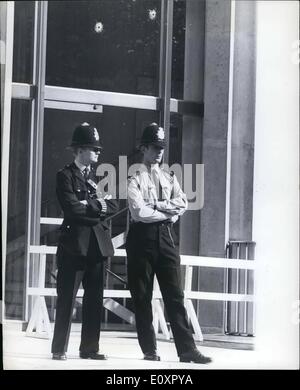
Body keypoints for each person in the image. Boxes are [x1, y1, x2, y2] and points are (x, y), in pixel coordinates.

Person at [125, 123, 212, 364]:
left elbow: (183, 203)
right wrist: (167, 210)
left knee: (175, 295)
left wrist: (157, 207)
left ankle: (187, 350)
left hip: (166, 238)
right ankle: (150, 350)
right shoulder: (134, 177)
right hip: (142, 240)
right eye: (154, 147)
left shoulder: (169, 176)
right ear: (143, 148)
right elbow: (139, 212)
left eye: (161, 147)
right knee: (141, 297)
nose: (159, 151)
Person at [51, 122, 118, 360]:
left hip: (96, 247)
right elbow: (71, 210)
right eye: (93, 148)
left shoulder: (96, 178)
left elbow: (113, 206)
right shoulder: (65, 176)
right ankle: (59, 349)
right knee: (67, 298)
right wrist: (97, 207)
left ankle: (89, 348)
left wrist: (90, 206)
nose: (98, 152)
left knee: (94, 299)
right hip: (74, 247)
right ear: (80, 149)